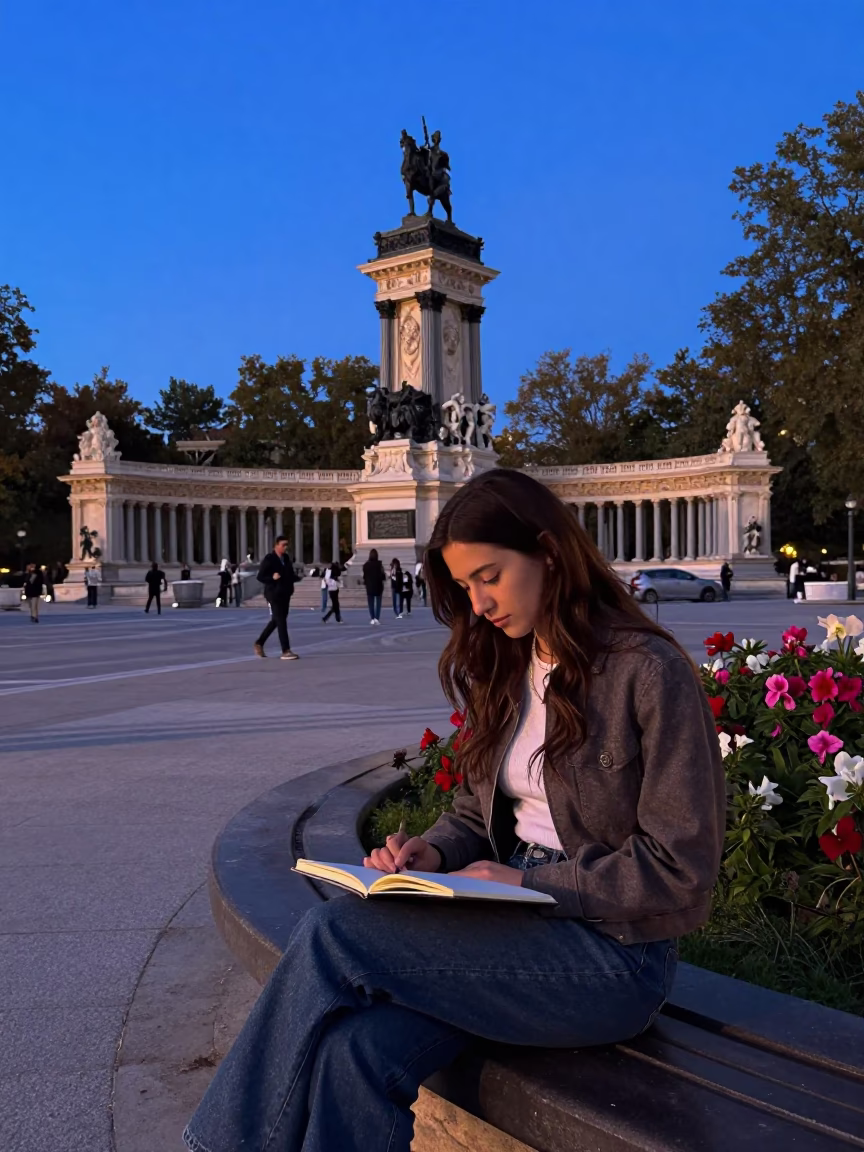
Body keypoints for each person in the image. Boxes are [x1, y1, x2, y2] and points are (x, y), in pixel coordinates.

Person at [183, 468, 725, 1152]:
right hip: (502, 927)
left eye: (489, 576)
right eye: (466, 586)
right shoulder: (506, 665)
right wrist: (432, 855)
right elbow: (476, 814)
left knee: (333, 934)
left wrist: (531, 883)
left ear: (548, 552)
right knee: (357, 1050)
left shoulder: (648, 672)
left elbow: (683, 868)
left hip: (611, 957)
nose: (478, 605)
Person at [254, 535, 298, 660]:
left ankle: (259, 643)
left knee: (277, 620)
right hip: (273, 594)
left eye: (287, 545)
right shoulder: (269, 558)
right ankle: (286, 650)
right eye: (283, 545)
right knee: (281, 621)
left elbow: (289, 574)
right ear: (276, 545)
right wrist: (272, 578)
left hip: (285, 593)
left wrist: (296, 579)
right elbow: (260, 576)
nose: (285, 547)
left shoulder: (286, 558)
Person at [362, 548, 385, 625]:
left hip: (369, 586)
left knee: (371, 603)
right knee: (378, 603)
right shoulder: (379, 565)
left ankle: (372, 618)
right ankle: (377, 618)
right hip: (378, 586)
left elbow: (364, 576)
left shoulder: (366, 565)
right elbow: (383, 576)